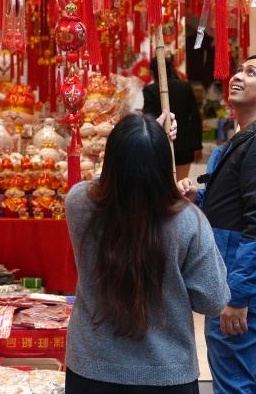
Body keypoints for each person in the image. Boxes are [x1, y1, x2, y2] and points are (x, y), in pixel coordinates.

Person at [65, 112, 229, 393]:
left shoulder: (78, 203)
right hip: (165, 373)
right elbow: (213, 300)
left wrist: (140, 137)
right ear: (164, 164)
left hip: (91, 368)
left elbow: (105, 182)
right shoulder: (188, 221)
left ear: (110, 159)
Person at [181, 54, 256, 394]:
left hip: (242, 281)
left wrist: (238, 296)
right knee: (255, 376)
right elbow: (240, 204)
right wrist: (200, 198)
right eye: (239, 70)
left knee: (234, 379)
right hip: (240, 277)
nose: (237, 76)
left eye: (250, 73)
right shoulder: (253, 136)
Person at [143, 56, 203, 181]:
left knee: (164, 185)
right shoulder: (185, 86)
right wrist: (198, 146)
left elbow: (149, 120)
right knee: (181, 184)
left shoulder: (150, 90)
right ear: (171, 69)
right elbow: (195, 118)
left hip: (161, 145)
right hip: (185, 145)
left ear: (152, 72)